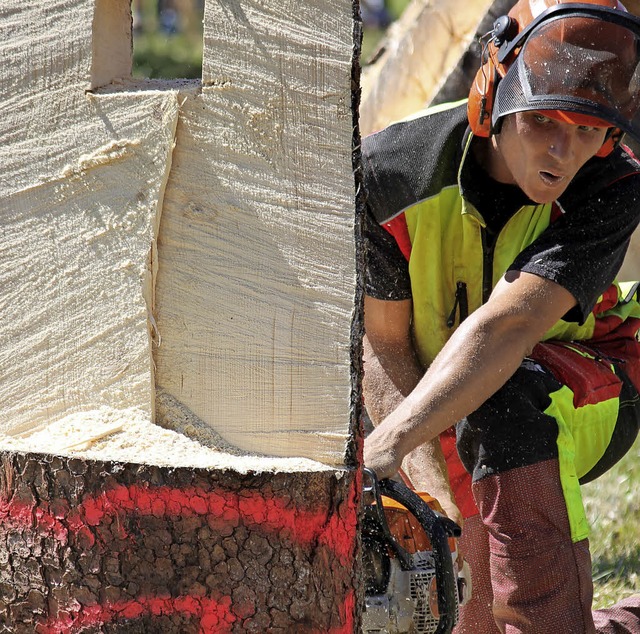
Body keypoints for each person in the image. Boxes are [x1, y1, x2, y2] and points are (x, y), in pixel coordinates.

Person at [361, 0, 640, 632]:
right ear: (494, 92)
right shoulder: (387, 174)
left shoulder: (614, 186)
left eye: (588, 131)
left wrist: (391, 443)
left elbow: (506, 328)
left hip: (591, 388)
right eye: (545, 120)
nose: (564, 152)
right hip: (441, 393)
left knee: (505, 395)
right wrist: (429, 490)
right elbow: (382, 341)